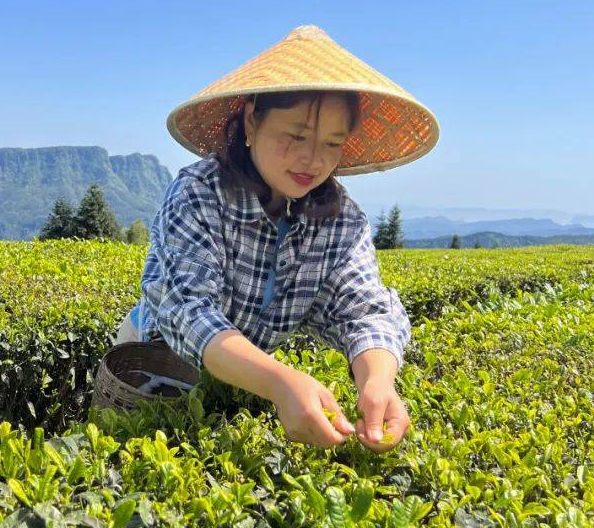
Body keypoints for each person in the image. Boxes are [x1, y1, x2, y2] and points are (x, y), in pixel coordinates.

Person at [113, 25, 440, 452]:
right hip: (153, 368)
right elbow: (189, 310)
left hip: (251, 378)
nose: (313, 159)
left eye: (332, 143)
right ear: (252, 120)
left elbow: (364, 311)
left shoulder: (341, 222)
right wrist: (281, 381)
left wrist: (377, 382)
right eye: (296, 136)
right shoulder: (200, 193)